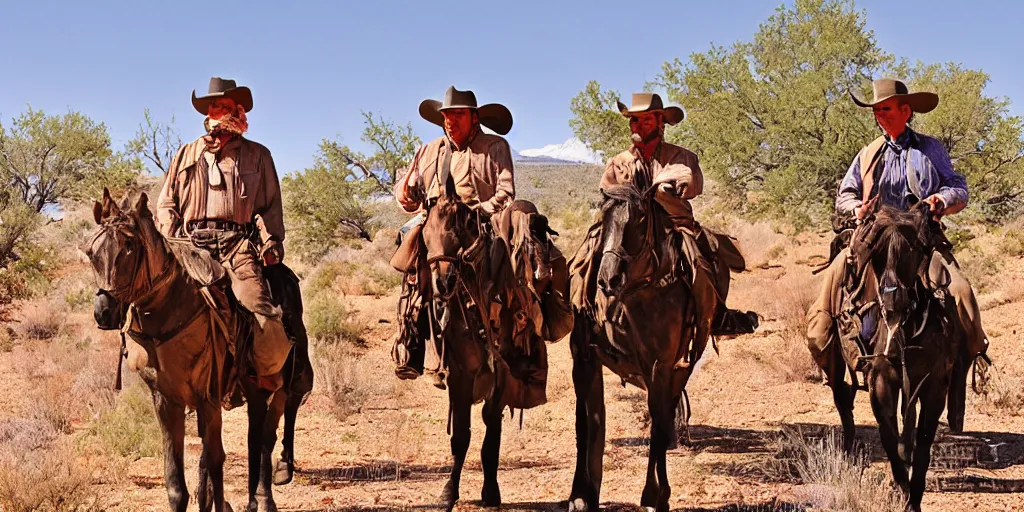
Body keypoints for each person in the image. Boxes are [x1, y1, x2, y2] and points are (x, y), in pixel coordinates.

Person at [806, 78, 990, 380]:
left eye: (886, 109)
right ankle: (832, 360)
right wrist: (857, 209)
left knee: (960, 292)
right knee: (828, 301)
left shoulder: (931, 148)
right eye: (876, 110)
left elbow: (958, 186)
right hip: (872, 239)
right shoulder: (867, 154)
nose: (880, 115)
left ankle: (965, 361)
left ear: (906, 110)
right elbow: (844, 195)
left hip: (923, 239)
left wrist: (941, 200)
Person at [156, 77, 292, 391]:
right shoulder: (186, 153)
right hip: (191, 245)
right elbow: (166, 202)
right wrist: (174, 238)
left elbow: (270, 206)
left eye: (225, 106)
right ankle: (161, 373)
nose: (218, 111)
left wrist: (271, 241)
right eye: (213, 105)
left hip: (236, 245)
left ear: (239, 111)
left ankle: (261, 371)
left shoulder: (258, 156)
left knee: (260, 312)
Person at [599, 92, 759, 336]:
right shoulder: (618, 162)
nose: (637, 126)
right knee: (591, 255)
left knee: (704, 257)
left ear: (661, 123)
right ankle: (583, 312)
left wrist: (670, 185)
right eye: (634, 120)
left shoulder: (681, 157)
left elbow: (690, 182)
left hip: (675, 225)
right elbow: (608, 193)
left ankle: (714, 315)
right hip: (629, 228)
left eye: (645, 121)